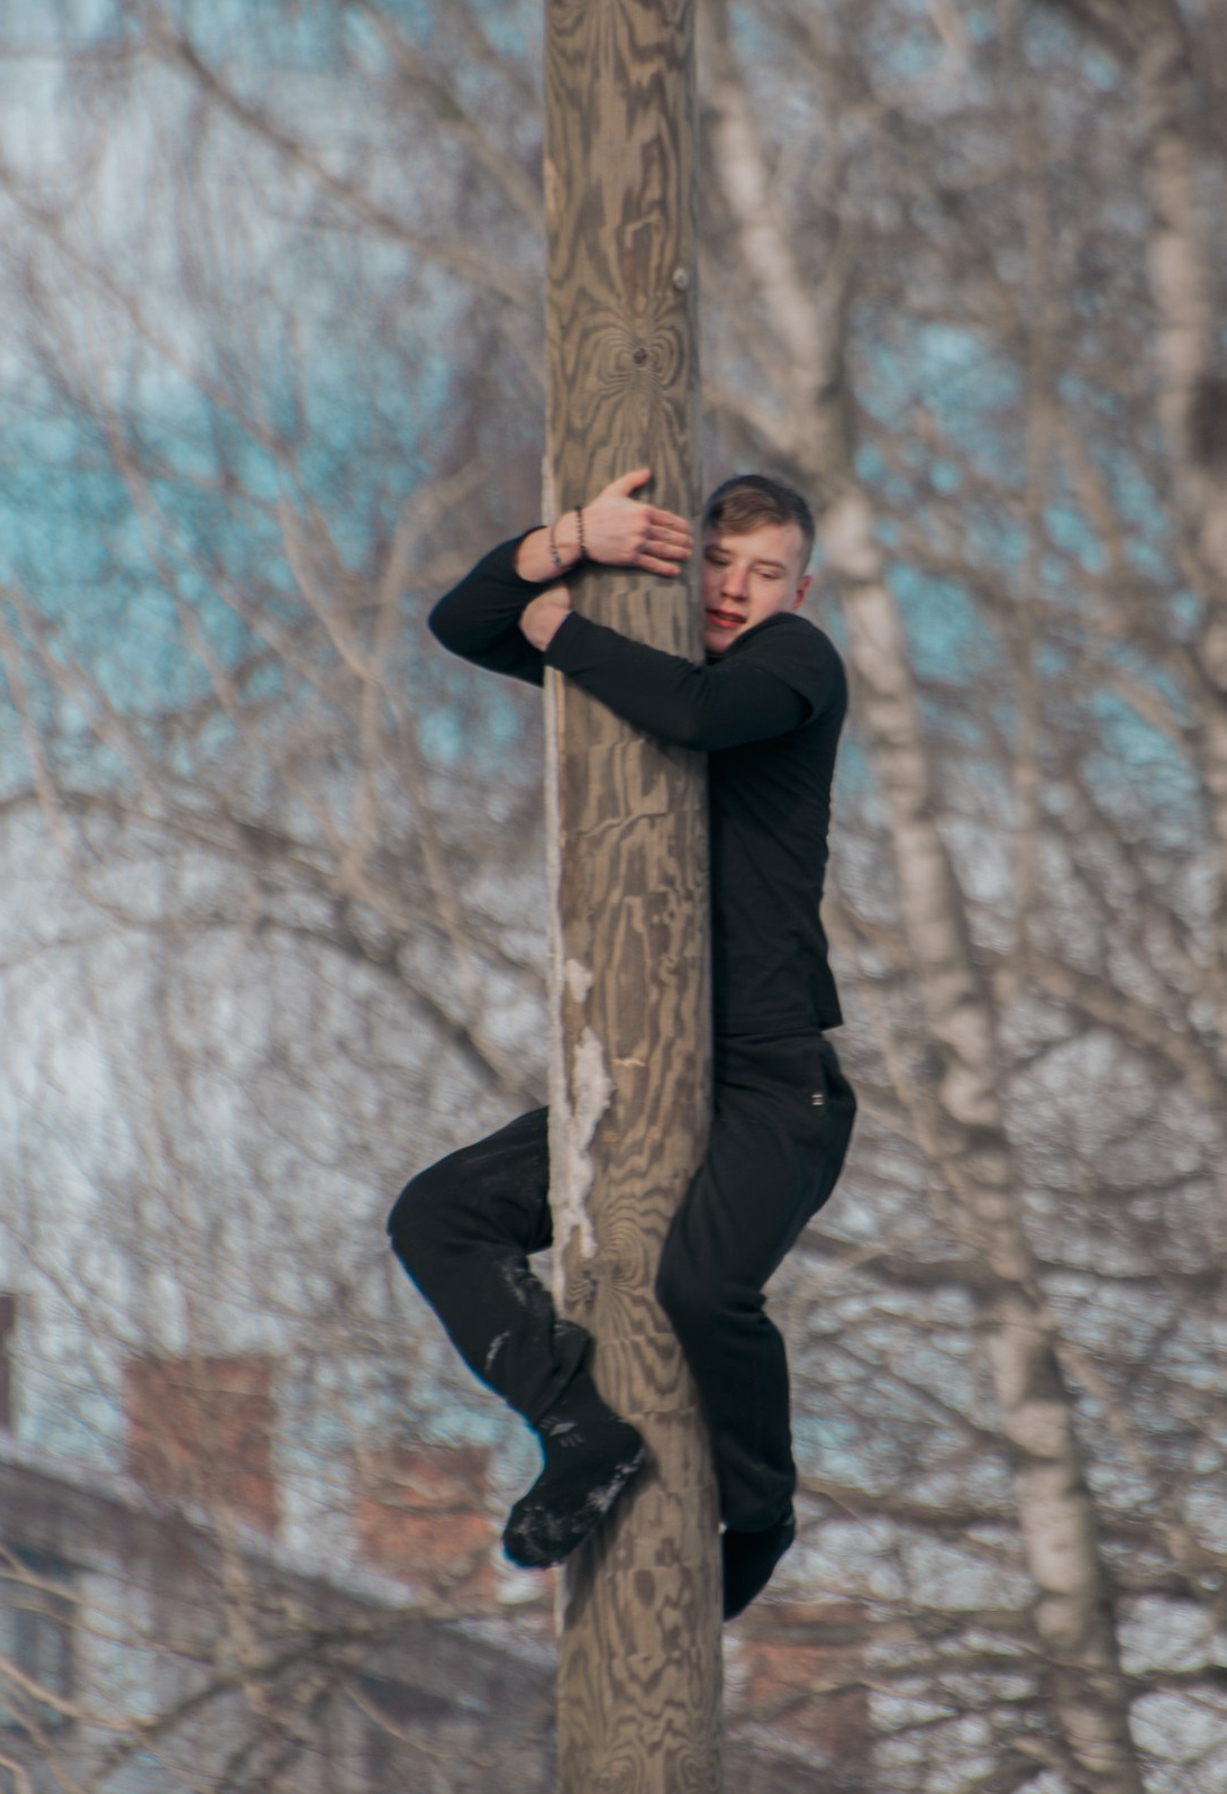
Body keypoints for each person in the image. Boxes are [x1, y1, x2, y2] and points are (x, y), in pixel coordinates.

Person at [386, 467, 855, 1620]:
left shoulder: (799, 665)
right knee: (437, 1215)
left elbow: (696, 716)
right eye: (718, 566)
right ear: (683, 564)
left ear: (804, 587)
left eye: (765, 574)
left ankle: (762, 1506)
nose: (738, 592)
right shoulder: (634, 657)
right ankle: (578, 1428)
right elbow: (461, 622)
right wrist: (564, 543)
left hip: (771, 1083)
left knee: (700, 1286)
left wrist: (557, 626)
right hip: (645, 1073)